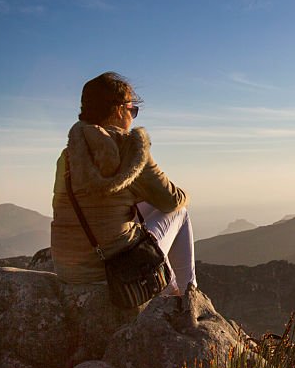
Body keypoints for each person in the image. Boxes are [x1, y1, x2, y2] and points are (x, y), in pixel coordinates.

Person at [51, 72, 197, 295]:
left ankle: (175, 289)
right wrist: (185, 193)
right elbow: (172, 200)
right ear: (119, 110)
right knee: (180, 212)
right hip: (114, 271)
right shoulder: (131, 150)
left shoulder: (69, 155)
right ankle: (188, 295)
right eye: (132, 110)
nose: (132, 117)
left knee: (145, 206)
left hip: (67, 269)